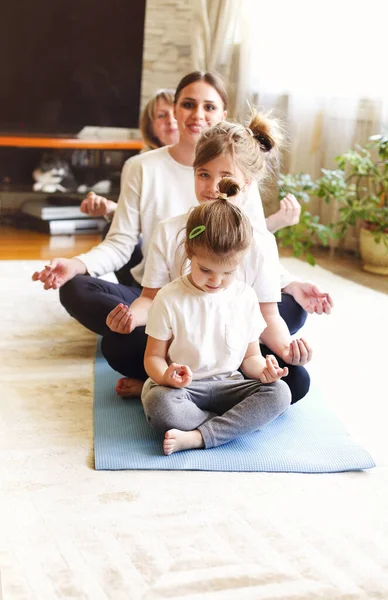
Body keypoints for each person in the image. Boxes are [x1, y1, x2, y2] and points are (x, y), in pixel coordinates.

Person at [32, 71, 331, 377]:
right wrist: (123, 309)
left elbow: (252, 254)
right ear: (174, 109)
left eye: (209, 107)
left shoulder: (247, 191)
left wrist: (289, 298)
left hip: (228, 313)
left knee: (293, 334)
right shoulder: (151, 189)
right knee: (112, 336)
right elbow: (140, 276)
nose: (215, 186)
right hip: (168, 303)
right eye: (203, 174)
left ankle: (211, 368)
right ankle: (194, 368)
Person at [105, 114, 313, 404]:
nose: (213, 186)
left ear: (247, 182)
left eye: (225, 178)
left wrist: (286, 350)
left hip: (235, 351)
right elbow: (150, 298)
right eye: (203, 174)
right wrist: (129, 319)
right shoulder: (168, 231)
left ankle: (164, 389)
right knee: (115, 343)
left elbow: (268, 315)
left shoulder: (262, 241)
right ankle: (170, 383)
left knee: (297, 381)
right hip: (181, 350)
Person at [141, 186, 291, 455]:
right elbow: (153, 357)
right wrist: (167, 376)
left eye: (228, 272)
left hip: (229, 386)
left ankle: (198, 436)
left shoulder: (246, 297)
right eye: (205, 269)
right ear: (189, 252)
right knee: (160, 405)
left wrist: (264, 372)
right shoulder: (169, 297)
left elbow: (250, 358)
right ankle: (233, 427)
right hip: (183, 391)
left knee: (280, 393)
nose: (216, 280)